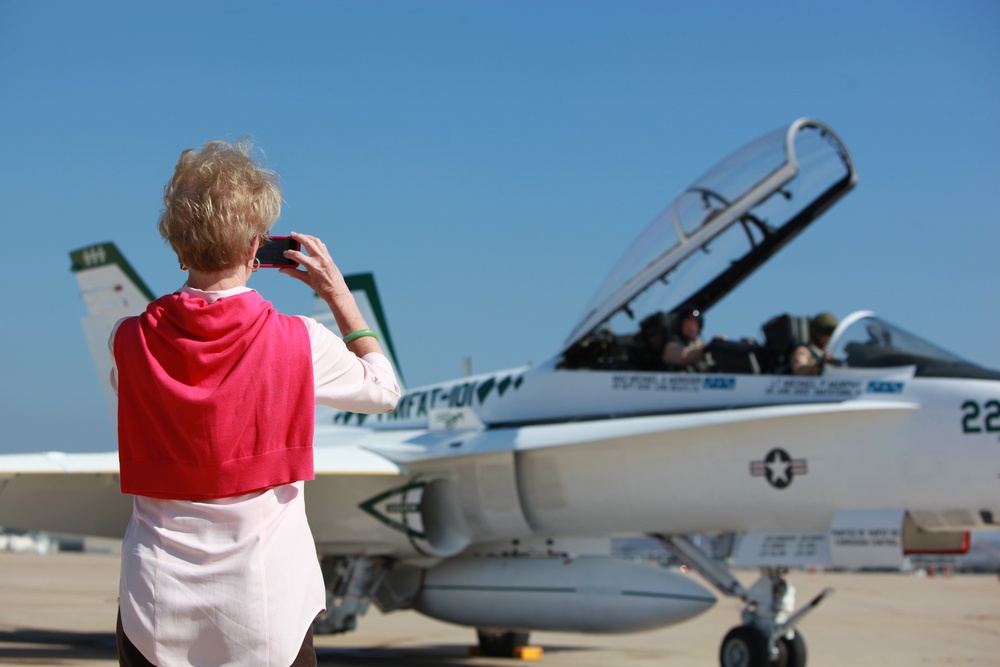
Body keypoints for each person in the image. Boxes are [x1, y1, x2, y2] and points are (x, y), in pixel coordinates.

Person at [111, 139, 401, 667]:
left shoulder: (127, 340)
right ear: (256, 249)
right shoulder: (299, 341)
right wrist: (339, 296)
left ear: (177, 246)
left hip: (153, 606)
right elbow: (384, 392)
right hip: (267, 614)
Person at [662, 304, 715, 372]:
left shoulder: (700, 344)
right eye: (688, 323)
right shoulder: (671, 345)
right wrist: (704, 350)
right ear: (680, 324)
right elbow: (685, 357)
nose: (691, 327)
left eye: (694, 324)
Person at [790, 311, 838, 375]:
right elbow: (800, 369)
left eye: (832, 334)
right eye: (827, 333)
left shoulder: (827, 353)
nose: (829, 338)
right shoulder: (803, 351)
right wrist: (816, 367)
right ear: (817, 332)